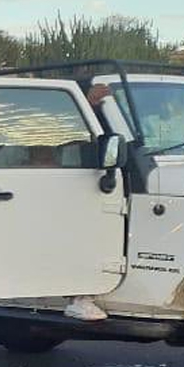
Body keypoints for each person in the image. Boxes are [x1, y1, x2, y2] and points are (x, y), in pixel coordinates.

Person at [64, 84, 115, 322]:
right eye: (99, 95)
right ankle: (80, 297)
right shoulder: (70, 115)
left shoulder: (109, 115)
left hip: (87, 180)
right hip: (71, 181)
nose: (104, 97)